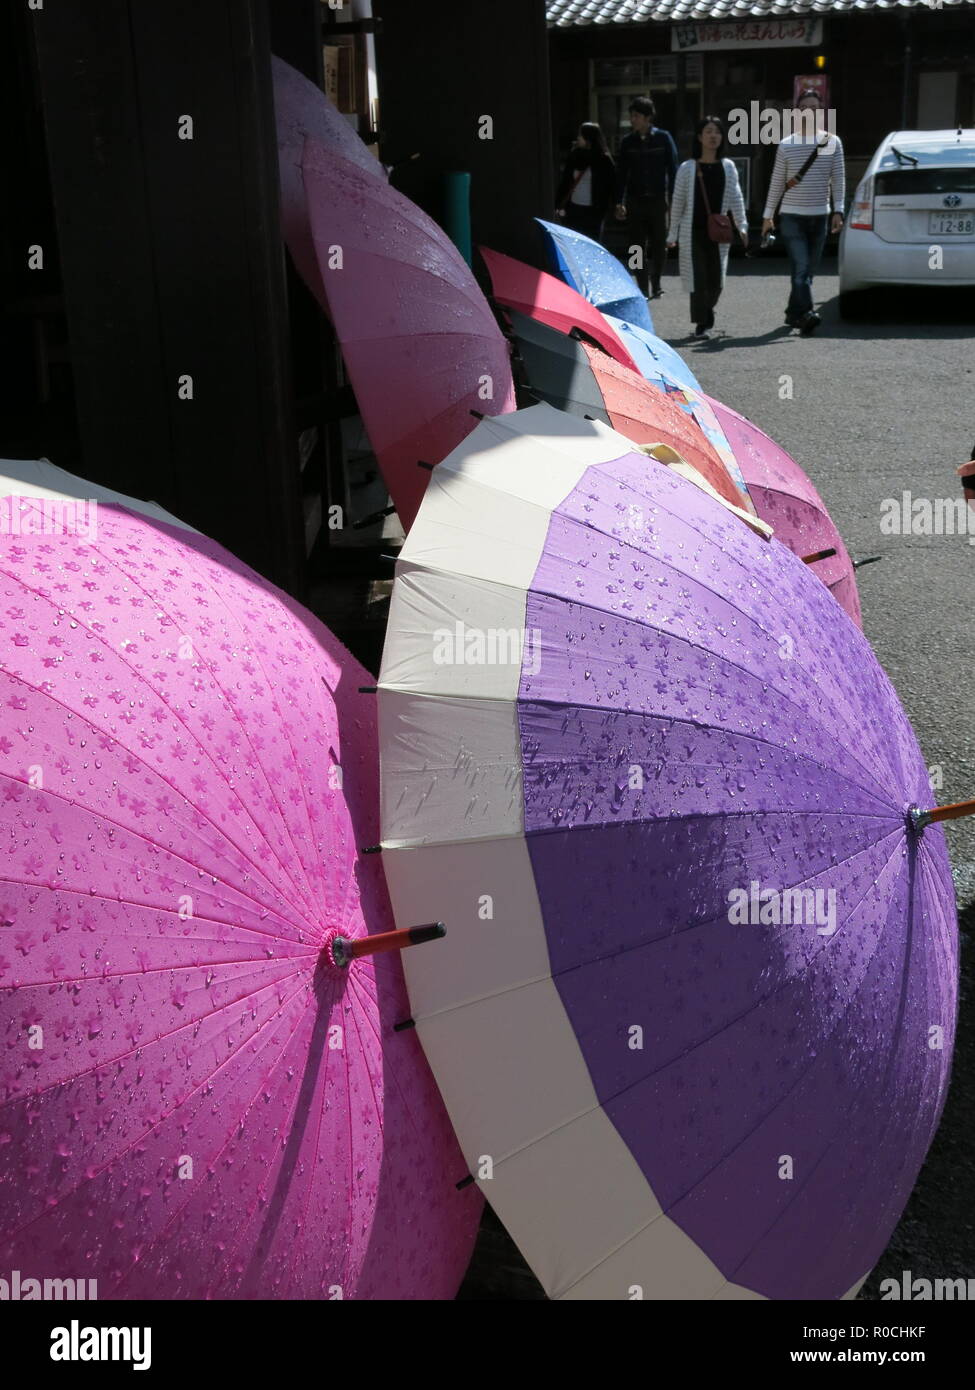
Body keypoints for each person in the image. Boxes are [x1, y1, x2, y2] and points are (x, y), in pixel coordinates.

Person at [762, 89, 846, 335]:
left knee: (807, 272)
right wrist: (768, 215)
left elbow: (839, 180)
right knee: (801, 268)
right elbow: (777, 181)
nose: (809, 112)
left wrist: (838, 211)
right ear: (797, 113)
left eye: (815, 108)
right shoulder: (786, 145)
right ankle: (807, 315)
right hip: (791, 217)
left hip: (820, 216)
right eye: (804, 108)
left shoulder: (833, 142)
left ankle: (793, 313)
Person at [667, 116, 748, 340]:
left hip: (719, 232)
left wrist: (742, 225)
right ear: (700, 137)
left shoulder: (728, 167)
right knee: (698, 278)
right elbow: (679, 202)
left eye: (717, 132)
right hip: (692, 232)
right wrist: (672, 233)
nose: (713, 136)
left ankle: (707, 314)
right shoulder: (687, 168)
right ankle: (702, 325)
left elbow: (736, 198)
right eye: (709, 131)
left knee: (717, 280)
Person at [614, 96, 678, 300]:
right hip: (635, 200)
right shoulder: (627, 142)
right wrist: (619, 201)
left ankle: (656, 282)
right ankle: (640, 285)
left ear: (648, 117)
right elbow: (621, 174)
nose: (632, 119)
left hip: (658, 200)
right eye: (631, 116)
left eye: (636, 116)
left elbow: (674, 169)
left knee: (660, 244)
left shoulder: (664, 138)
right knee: (635, 246)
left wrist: (675, 199)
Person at [555, 122, 615, 241]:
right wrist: (557, 203)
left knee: (592, 242)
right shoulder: (574, 155)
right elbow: (566, 181)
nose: (578, 138)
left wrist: (606, 208)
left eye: (581, 135)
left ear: (589, 138)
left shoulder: (603, 160)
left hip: (593, 212)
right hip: (574, 210)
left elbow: (610, 185)